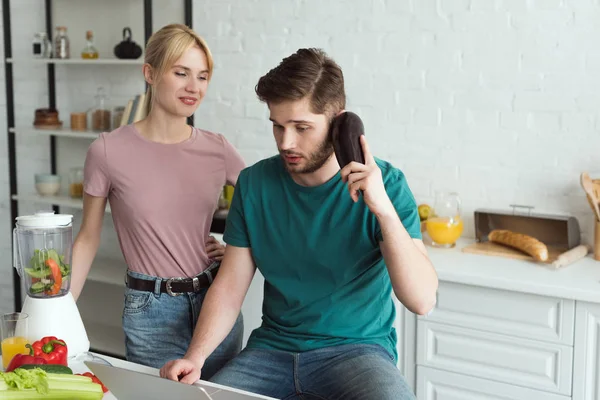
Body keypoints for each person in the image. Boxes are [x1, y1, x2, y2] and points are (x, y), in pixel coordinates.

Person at [160, 48, 438, 399]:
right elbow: (230, 287)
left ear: (338, 122)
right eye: (278, 126)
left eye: (302, 127)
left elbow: (422, 300)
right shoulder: (255, 184)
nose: (286, 142)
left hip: (356, 353)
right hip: (271, 352)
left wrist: (382, 208)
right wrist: (195, 357)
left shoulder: (388, 186)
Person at [71, 23, 245, 378]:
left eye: (203, 76)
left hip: (213, 304)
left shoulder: (218, 148)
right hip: (150, 312)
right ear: (149, 73)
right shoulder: (107, 150)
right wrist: (57, 312)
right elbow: (88, 237)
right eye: (181, 73)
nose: (194, 87)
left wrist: (238, 250)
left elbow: (270, 205)